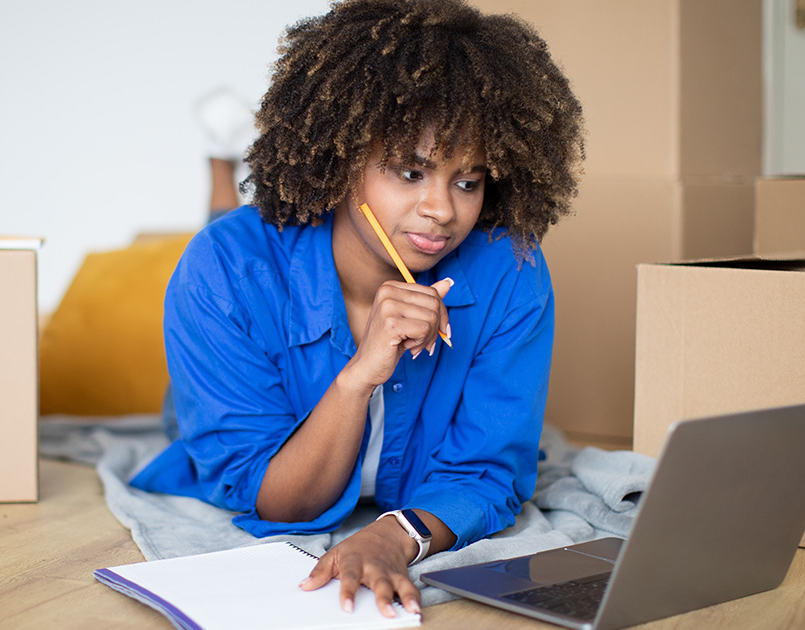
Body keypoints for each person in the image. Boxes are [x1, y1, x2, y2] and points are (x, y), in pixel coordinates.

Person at [133, 0, 584, 618]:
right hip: (231, 327)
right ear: (343, 162)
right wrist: (359, 375)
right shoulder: (224, 269)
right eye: (409, 171)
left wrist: (394, 535)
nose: (442, 211)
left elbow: (487, 472)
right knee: (226, 236)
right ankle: (221, 161)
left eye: (467, 180)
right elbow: (277, 503)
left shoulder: (512, 270)